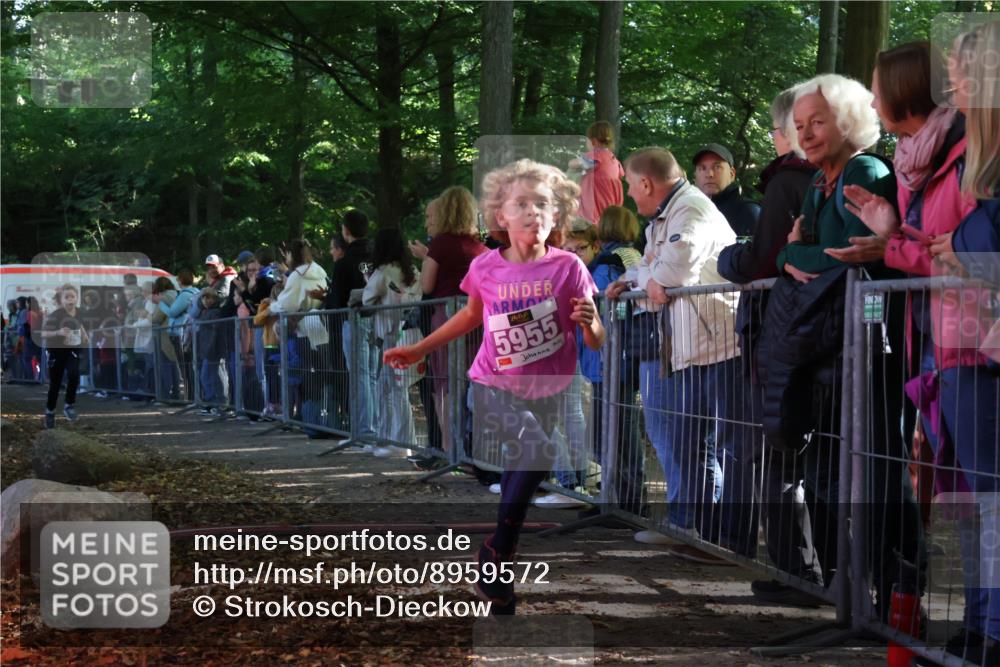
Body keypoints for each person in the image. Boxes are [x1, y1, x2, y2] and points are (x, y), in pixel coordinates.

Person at [384, 159, 604, 615]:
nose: (532, 213)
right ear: (500, 216)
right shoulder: (486, 266)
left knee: (526, 470)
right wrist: (419, 350)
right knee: (539, 452)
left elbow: (594, 337)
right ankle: (498, 552)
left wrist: (593, 324)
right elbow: (468, 316)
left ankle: (495, 574)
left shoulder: (568, 268)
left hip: (546, 390)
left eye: (542, 204)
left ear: (556, 215)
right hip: (491, 385)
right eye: (520, 204)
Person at [763, 73, 925, 622]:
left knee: (878, 471)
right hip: (827, 350)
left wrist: (791, 259)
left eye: (818, 122)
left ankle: (900, 595)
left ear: (848, 121)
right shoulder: (817, 183)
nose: (806, 134)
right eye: (800, 125)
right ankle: (846, 587)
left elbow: (846, 254)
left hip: (872, 348)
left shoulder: (864, 171)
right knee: (831, 469)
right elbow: (818, 257)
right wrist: (800, 259)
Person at [608, 147, 750, 565]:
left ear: (647, 183)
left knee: (726, 445)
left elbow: (669, 277)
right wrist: (641, 281)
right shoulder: (664, 219)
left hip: (720, 345)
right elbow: (648, 273)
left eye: (632, 188)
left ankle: (724, 541)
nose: (632, 198)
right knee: (690, 441)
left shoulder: (690, 213)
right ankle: (700, 532)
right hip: (691, 346)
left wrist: (647, 281)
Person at [716, 88, 823, 605]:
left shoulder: (788, 182)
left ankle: (796, 572)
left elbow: (764, 260)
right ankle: (802, 570)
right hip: (808, 332)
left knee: (783, 454)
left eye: (782, 129)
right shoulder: (820, 179)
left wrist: (729, 261)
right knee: (799, 456)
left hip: (783, 334)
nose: (781, 137)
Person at [923, 23, 1000, 665]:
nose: (953, 84)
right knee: (973, 501)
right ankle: (980, 626)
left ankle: (991, 632)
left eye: (964, 73)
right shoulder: (971, 154)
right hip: (962, 348)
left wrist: (964, 249)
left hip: (981, 350)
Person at [409, 187, 488, 463]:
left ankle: (449, 450)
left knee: (444, 382)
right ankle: (468, 450)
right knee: (470, 382)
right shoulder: (481, 247)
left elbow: (427, 284)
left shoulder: (441, 244)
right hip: (477, 320)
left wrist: (428, 259)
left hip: (446, 318)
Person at [363, 227, 423, 457]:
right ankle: (391, 440)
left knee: (391, 389)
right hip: (409, 333)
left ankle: (399, 443)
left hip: (389, 335)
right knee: (394, 387)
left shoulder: (383, 271)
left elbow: (368, 298)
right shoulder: (413, 271)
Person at [326, 210, 379, 443]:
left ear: (346, 231)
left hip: (356, 321)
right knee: (372, 375)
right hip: (378, 321)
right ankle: (374, 426)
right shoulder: (378, 257)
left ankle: (363, 430)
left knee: (359, 375)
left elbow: (336, 300)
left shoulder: (345, 262)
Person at [269, 239, 329, 436]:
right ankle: (323, 418)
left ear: (292, 255)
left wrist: (271, 307)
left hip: (304, 328)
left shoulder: (297, 275)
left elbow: (287, 303)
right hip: (321, 326)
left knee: (307, 377)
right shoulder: (320, 270)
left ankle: (311, 421)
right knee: (322, 373)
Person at [40, 284, 87, 428]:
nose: (70, 300)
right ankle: (50, 412)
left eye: (72, 296)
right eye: (66, 297)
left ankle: (69, 405)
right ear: (61, 300)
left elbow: (79, 324)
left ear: (77, 298)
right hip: (56, 351)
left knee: (74, 374)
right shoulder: (56, 315)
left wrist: (85, 335)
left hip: (72, 349)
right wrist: (58, 332)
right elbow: (43, 333)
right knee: (55, 384)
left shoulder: (79, 312)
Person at [692, 142, 760, 237]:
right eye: (702, 168)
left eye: (717, 167)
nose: (709, 174)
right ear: (695, 177)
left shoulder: (748, 212)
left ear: (732, 174)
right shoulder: (689, 212)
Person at [574, 120, 625, 224]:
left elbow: (575, 164)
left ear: (593, 141)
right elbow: (621, 175)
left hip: (592, 214)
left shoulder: (593, 157)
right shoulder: (615, 161)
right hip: (609, 214)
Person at [161, 269, 199, 400]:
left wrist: (161, 305)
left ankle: (191, 396)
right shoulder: (195, 292)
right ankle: (192, 395)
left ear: (181, 280)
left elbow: (173, 312)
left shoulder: (185, 294)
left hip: (180, 333)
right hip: (186, 332)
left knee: (185, 367)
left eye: (178, 279)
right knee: (188, 366)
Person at [195, 287, 226, 414]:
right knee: (209, 375)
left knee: (207, 376)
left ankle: (213, 401)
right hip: (206, 348)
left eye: (210, 298)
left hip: (212, 349)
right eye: (204, 298)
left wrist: (209, 348)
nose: (207, 300)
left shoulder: (215, 312)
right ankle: (214, 401)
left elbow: (214, 333)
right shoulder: (204, 312)